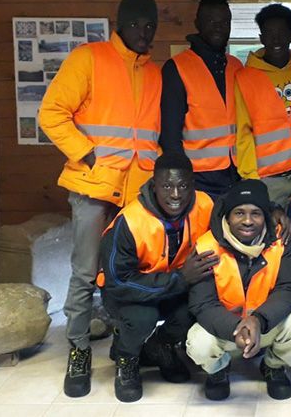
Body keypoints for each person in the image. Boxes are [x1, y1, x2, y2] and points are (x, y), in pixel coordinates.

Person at [38, 0, 161, 397]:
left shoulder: (155, 73)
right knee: (85, 272)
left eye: (150, 26)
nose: (143, 32)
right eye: (136, 24)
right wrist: (86, 154)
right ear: (119, 24)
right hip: (93, 185)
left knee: (129, 273)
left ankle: (127, 353)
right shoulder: (88, 59)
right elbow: (51, 113)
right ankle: (78, 351)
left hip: (137, 193)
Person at [99, 153, 218, 402]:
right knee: (143, 317)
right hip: (128, 293)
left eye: (183, 186)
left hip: (172, 287)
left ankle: (159, 346)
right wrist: (180, 279)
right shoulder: (130, 220)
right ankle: (126, 358)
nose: (175, 194)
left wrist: (272, 211)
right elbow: (119, 282)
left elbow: (238, 209)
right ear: (154, 185)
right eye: (166, 186)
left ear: (193, 185)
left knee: (197, 307)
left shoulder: (205, 204)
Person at [186, 179, 291, 401]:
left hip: (265, 324)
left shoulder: (280, 239)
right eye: (239, 213)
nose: (248, 221)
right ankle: (218, 370)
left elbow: (289, 286)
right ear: (227, 217)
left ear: (266, 216)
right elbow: (202, 303)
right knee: (198, 343)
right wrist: (236, 328)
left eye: (256, 213)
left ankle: (273, 366)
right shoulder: (206, 246)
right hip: (224, 327)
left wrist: (258, 320)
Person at [159, 0, 243, 199]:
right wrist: (181, 180)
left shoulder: (236, 66)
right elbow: (170, 136)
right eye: (211, 21)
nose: (219, 27)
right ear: (198, 24)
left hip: (237, 174)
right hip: (198, 179)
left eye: (225, 22)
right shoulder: (177, 68)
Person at [235, 4, 291, 207]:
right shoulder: (245, 78)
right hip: (267, 180)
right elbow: (243, 133)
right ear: (261, 37)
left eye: (282, 32)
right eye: (269, 33)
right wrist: (251, 178)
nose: (276, 39)